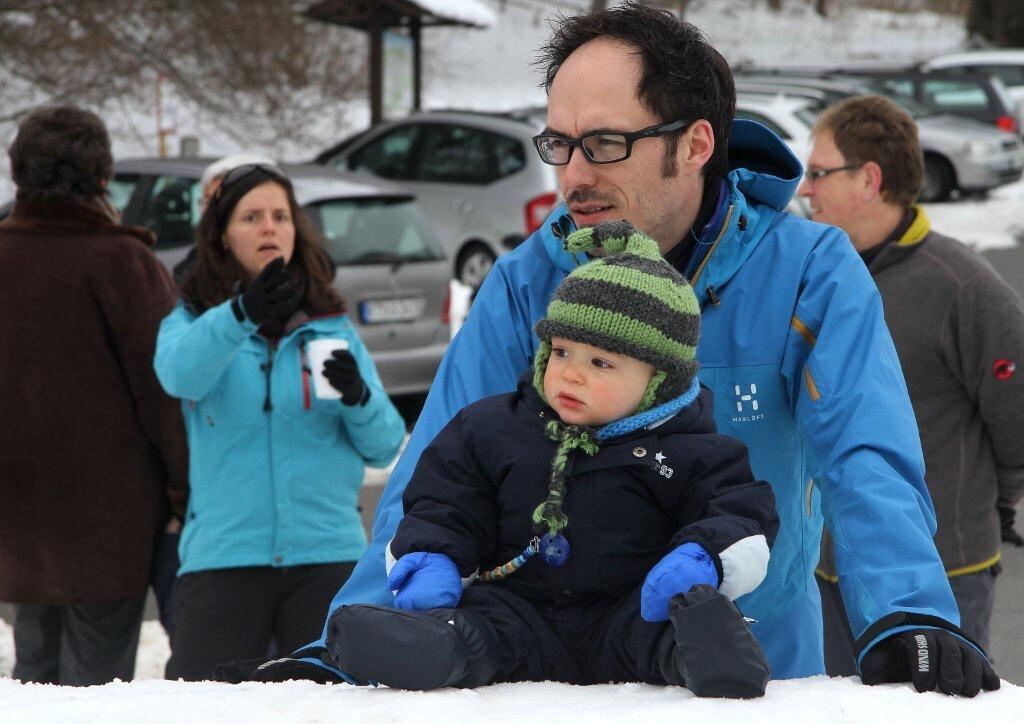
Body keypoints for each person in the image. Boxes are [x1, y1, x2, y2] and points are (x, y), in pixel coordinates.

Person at [248, 2, 998, 696]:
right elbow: (435, 471)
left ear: (695, 143)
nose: (573, 175)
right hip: (543, 684)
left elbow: (865, 455)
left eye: (604, 144)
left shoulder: (809, 273)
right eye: (559, 144)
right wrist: (341, 648)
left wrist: (909, 613)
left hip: (743, 677)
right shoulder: (527, 281)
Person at [325, 221, 779, 696]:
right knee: (476, 627)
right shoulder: (493, 429)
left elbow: (738, 511)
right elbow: (446, 501)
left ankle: (709, 656)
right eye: (561, 351)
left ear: (658, 381)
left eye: (600, 362)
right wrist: (435, 556)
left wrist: (702, 558)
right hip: (520, 612)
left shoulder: (695, 450)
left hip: (631, 611)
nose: (570, 375)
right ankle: (428, 649)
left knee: (666, 630)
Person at [796, 95, 1024, 673]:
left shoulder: (963, 286)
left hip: (940, 573)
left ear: (869, 180)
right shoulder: (811, 278)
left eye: (819, 173)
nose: (805, 189)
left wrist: (994, 502)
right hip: (827, 569)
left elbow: (1017, 416)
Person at [154, 163, 406, 681]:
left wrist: (359, 396)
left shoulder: (328, 323)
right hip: (223, 560)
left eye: (280, 216)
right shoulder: (194, 320)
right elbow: (178, 375)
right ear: (222, 236)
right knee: (203, 708)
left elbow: (384, 447)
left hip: (326, 558)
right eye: (251, 216)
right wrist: (241, 312)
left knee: (326, 708)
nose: (269, 227)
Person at [0, 105, 188, 685]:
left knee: (33, 677)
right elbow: (165, 391)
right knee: (97, 691)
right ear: (103, 177)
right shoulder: (121, 260)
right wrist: (186, 493)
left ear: (19, 173)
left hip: (17, 518)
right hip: (110, 523)